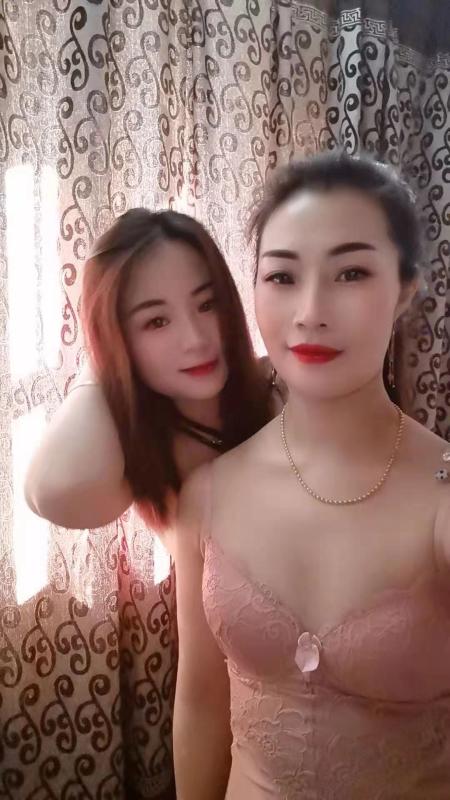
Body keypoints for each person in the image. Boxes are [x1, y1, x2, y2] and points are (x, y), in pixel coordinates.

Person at [173, 152, 450, 799]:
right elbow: (201, 704)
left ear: (404, 289)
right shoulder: (209, 492)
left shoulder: (440, 496)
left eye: (351, 272)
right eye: (282, 276)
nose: (310, 311)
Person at [25, 209, 284, 540]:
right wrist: (106, 361)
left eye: (207, 304)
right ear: (117, 337)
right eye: (156, 322)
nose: (195, 339)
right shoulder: (140, 449)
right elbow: (54, 493)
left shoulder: (283, 387)